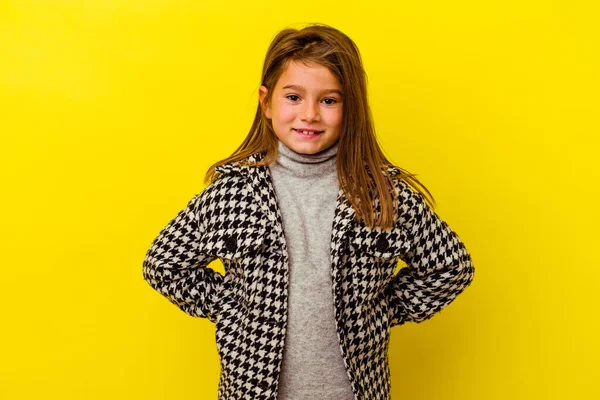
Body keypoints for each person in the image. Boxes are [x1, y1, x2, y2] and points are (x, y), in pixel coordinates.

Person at [142, 23, 475, 400]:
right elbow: (164, 264)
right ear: (266, 102)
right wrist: (235, 309)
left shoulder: (384, 194)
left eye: (329, 100)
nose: (310, 114)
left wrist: (379, 311)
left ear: (351, 107)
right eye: (294, 97)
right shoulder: (232, 192)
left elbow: (451, 267)